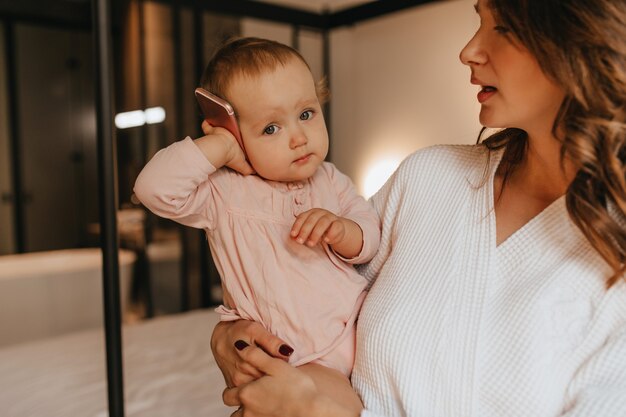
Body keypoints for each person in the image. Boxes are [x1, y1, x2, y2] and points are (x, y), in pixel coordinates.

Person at [211, 0, 626, 416]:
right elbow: (313, 295)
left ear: (578, 42)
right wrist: (230, 335)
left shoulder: (615, 255)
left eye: (501, 28)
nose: (468, 51)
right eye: (477, 21)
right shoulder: (428, 177)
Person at [133, 37, 380, 414]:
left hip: (361, 337)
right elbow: (152, 190)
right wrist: (219, 149)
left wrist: (342, 230)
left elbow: (370, 235)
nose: (299, 137)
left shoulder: (331, 180)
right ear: (232, 133)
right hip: (295, 361)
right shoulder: (223, 193)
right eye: (270, 129)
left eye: (306, 114)